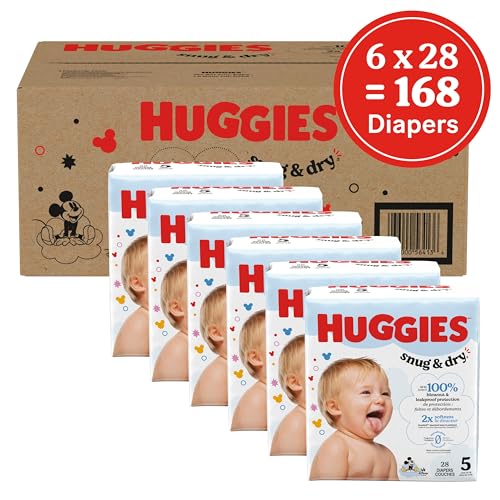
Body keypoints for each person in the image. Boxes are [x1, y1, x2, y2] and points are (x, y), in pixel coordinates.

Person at [310, 357, 398, 480]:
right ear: (335, 407)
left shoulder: (387, 456)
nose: (380, 399)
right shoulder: (337, 448)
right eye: (366, 392)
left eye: (385, 393)